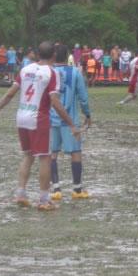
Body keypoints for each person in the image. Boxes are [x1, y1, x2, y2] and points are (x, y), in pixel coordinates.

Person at [0, 41, 80, 211]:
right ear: (53, 56)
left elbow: (10, 94)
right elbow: (56, 103)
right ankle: (44, 199)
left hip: (22, 116)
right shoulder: (52, 73)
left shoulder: (25, 69)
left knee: (28, 155)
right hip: (39, 118)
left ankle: (21, 193)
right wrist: (71, 124)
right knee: (44, 157)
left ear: (37, 54)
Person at [49, 45, 92, 201]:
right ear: (68, 56)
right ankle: (77, 189)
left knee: (52, 153)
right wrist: (87, 114)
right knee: (75, 152)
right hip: (70, 120)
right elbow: (83, 97)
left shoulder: (49, 72)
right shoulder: (75, 73)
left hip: (51, 119)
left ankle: (56, 189)